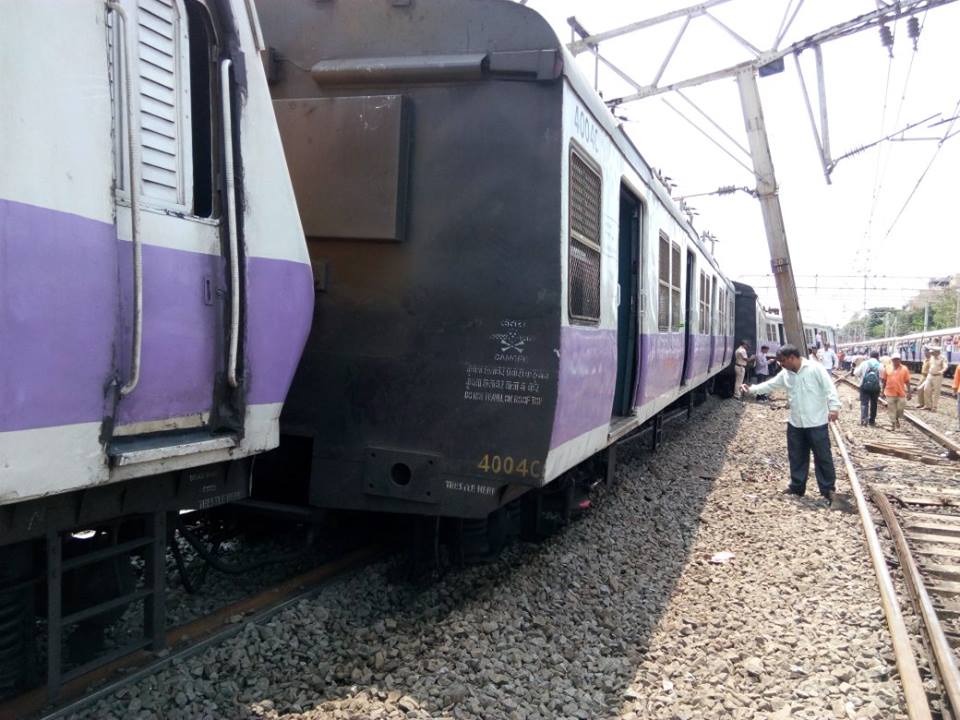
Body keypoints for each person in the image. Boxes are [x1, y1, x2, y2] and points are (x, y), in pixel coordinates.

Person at [741, 344, 841, 506]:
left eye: (783, 361)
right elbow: (770, 385)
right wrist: (751, 389)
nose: (781, 364)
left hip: (816, 422)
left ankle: (828, 489)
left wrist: (834, 407)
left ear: (792, 358)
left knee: (823, 457)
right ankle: (797, 487)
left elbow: (830, 388)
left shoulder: (815, 369)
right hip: (796, 423)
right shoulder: (786, 374)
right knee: (796, 456)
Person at [881, 355, 912, 431]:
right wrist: (882, 391)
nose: (895, 361)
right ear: (892, 360)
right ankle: (893, 424)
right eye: (894, 360)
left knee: (900, 408)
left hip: (901, 392)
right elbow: (884, 380)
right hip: (890, 392)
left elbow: (907, 381)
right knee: (891, 409)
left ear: (900, 360)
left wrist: (909, 392)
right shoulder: (887, 368)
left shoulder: (904, 369)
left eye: (897, 359)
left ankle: (897, 418)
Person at [854, 350, 882, 426]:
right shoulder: (880, 365)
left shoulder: (864, 363)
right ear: (878, 357)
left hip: (864, 386)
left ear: (869, 356)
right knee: (874, 403)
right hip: (876, 388)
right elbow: (883, 377)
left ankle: (864, 420)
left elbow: (855, 373)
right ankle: (872, 420)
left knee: (864, 403)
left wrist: (857, 367)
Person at [922, 346, 947, 411]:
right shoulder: (932, 357)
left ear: (937, 352)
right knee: (926, 389)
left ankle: (934, 407)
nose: (931, 353)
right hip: (930, 375)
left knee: (936, 392)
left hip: (938, 376)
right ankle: (928, 405)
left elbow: (945, 366)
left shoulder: (943, 358)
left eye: (932, 352)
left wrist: (942, 371)